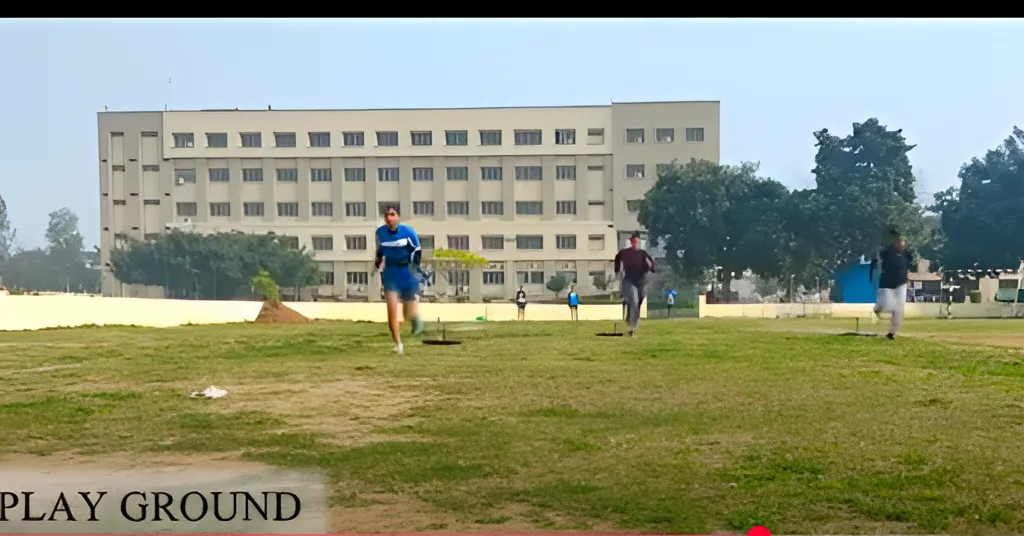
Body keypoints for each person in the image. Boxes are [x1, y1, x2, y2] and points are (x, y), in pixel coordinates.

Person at [374, 205, 425, 355]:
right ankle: (398, 344)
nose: (389, 218)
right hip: (391, 272)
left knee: (409, 312)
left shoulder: (408, 232)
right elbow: (380, 249)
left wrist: (415, 268)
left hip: (407, 271)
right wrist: (377, 262)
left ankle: (415, 319)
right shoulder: (380, 232)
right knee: (392, 311)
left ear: (398, 217)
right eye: (386, 215)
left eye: (392, 214)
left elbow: (417, 251)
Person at [869, 227, 914, 340]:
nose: (903, 243)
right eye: (900, 241)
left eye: (903, 241)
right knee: (888, 306)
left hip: (901, 283)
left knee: (899, 309)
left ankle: (892, 333)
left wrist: (908, 278)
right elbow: (876, 263)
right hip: (887, 283)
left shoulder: (906, 255)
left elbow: (908, 267)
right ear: (895, 242)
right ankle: (878, 307)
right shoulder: (886, 253)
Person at [614, 232, 656, 337]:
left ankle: (630, 317)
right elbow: (618, 259)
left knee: (638, 301)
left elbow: (651, 264)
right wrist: (617, 270)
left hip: (641, 282)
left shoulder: (643, 254)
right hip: (629, 280)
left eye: (637, 241)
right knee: (634, 300)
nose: (635, 243)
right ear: (631, 242)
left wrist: (650, 267)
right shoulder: (625, 253)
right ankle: (632, 327)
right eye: (633, 241)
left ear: (639, 243)